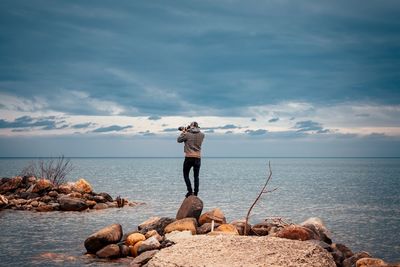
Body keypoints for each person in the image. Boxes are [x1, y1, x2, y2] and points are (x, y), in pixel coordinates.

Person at [177, 121, 205, 198]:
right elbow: (195, 133)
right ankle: (196, 193)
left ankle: (189, 191)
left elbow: (179, 140)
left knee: (186, 174)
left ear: (191, 126)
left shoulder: (187, 134)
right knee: (196, 176)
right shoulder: (202, 135)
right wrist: (187, 130)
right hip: (198, 158)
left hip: (189, 157)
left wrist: (184, 132)